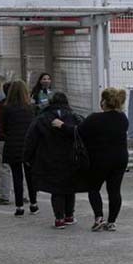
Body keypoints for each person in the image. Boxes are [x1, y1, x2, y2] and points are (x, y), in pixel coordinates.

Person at [23, 92, 84, 229]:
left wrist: (27, 157)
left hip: (49, 158)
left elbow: (31, 139)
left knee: (56, 189)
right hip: (70, 158)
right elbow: (83, 132)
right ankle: (69, 216)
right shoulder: (74, 116)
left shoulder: (42, 118)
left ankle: (59, 219)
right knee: (69, 187)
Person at [79, 88, 129, 232]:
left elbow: (78, 131)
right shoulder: (123, 118)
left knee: (94, 188)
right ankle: (112, 222)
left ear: (104, 102)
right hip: (120, 158)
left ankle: (99, 218)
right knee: (114, 190)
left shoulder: (95, 118)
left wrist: (61, 125)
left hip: (100, 159)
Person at [0, 80, 37, 216]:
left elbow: (3, 128)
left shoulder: (6, 108)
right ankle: (33, 204)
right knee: (30, 176)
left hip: (12, 144)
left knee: (17, 177)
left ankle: (19, 206)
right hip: (27, 145)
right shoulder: (30, 108)